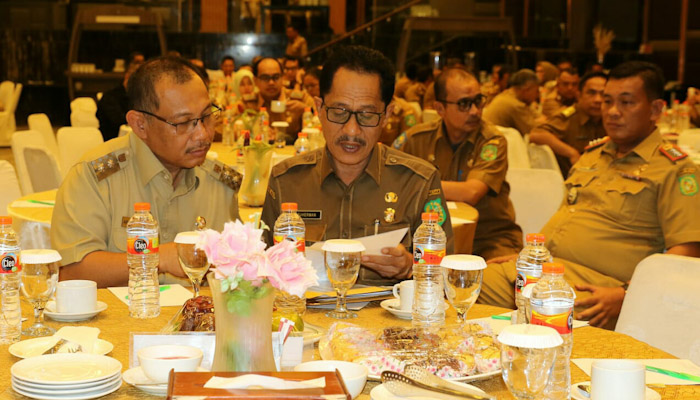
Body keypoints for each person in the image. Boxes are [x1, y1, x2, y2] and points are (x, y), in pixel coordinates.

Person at [480, 61, 700, 329]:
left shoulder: (675, 170)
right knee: (461, 283)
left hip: (598, 290)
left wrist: (628, 294)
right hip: (546, 271)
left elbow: (686, 253)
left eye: (626, 102)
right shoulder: (593, 155)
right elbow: (567, 219)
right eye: (608, 102)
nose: (613, 111)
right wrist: (528, 256)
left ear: (655, 110)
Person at [261, 45, 453, 285]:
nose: (352, 131)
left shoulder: (418, 182)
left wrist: (412, 268)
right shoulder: (286, 181)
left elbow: (447, 277)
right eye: (339, 112)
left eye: (367, 115)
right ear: (319, 108)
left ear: (387, 114)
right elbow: (260, 276)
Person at [51, 56, 241, 288]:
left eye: (206, 117)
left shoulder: (220, 183)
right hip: (125, 311)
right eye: (183, 122)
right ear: (140, 124)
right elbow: (72, 273)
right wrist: (158, 258)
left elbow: (241, 272)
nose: (203, 134)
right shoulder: (95, 177)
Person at [394, 68, 523, 260]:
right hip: (429, 238)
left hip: (487, 238)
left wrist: (417, 185)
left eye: (478, 101)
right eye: (464, 104)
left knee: (499, 275)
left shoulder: (492, 141)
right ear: (440, 108)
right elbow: (390, 180)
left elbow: (471, 192)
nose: (475, 111)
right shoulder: (417, 139)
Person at [530, 71, 607, 175]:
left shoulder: (610, 118)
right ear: (579, 95)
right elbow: (536, 134)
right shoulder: (570, 117)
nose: (598, 100)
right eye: (591, 93)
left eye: (603, 94)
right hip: (573, 178)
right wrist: (571, 153)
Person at [253, 57, 315, 143]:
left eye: (276, 77)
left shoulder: (299, 98)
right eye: (265, 78)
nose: (271, 82)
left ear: (282, 77)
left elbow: (322, 122)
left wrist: (307, 111)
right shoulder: (248, 103)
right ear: (255, 80)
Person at [483, 69, 544, 135]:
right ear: (527, 89)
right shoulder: (515, 104)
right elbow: (535, 130)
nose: (537, 95)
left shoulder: (508, 95)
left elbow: (538, 116)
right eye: (536, 91)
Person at [96, 61, 141, 141]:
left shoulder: (141, 96)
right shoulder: (110, 97)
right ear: (127, 76)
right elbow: (118, 121)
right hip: (112, 140)